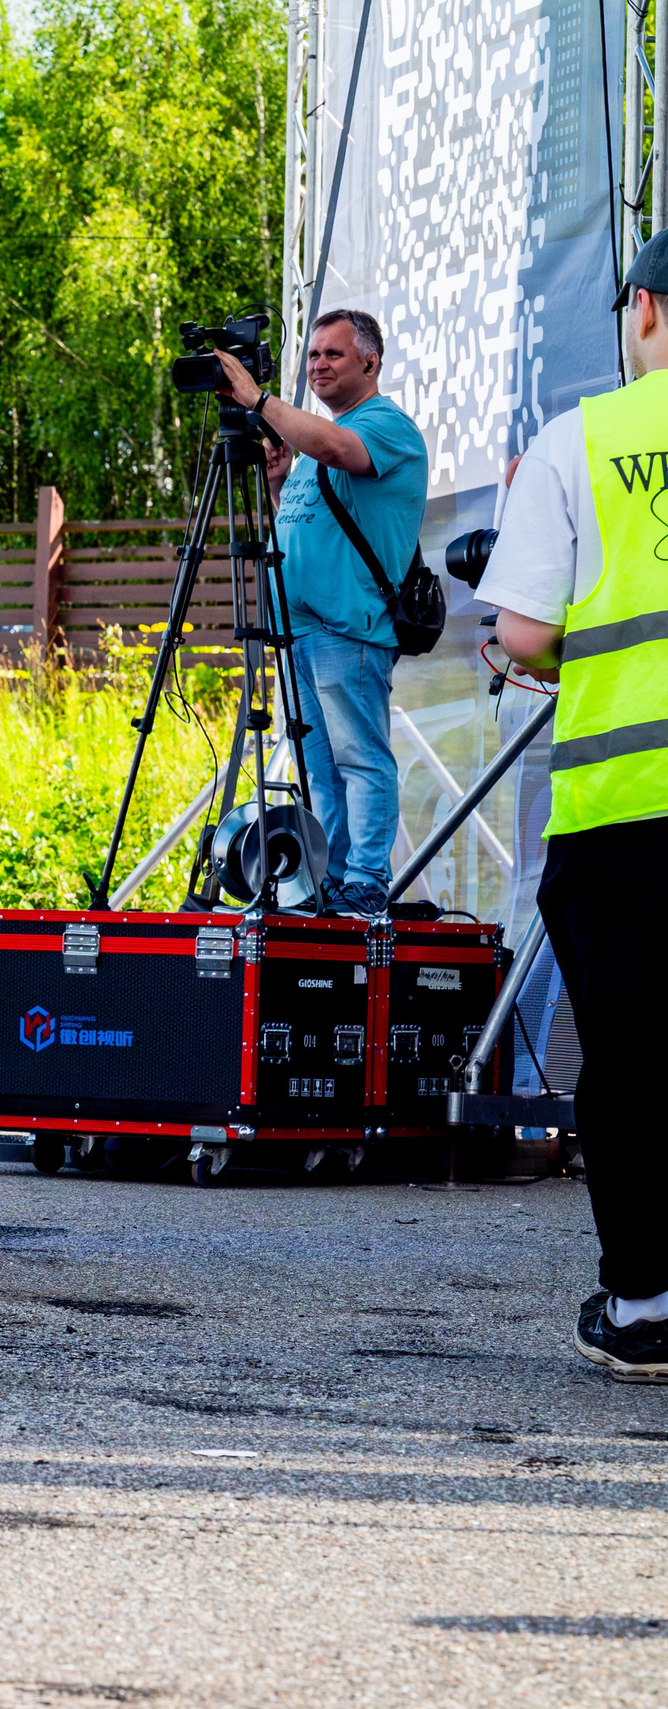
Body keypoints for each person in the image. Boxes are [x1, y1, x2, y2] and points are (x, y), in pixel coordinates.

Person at [474, 230, 668, 1382]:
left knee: (635, 1064)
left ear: (642, 307)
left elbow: (523, 632)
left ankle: (644, 1306)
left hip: (624, 812)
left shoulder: (580, 442)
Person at [213, 308, 428, 916]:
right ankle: (329, 881)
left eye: (333, 354)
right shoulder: (313, 443)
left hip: (346, 628)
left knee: (359, 758)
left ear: (370, 362)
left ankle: (367, 879)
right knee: (319, 767)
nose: (318, 365)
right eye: (312, 355)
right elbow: (303, 522)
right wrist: (278, 484)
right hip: (300, 631)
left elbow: (338, 449)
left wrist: (257, 399)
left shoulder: (382, 425)